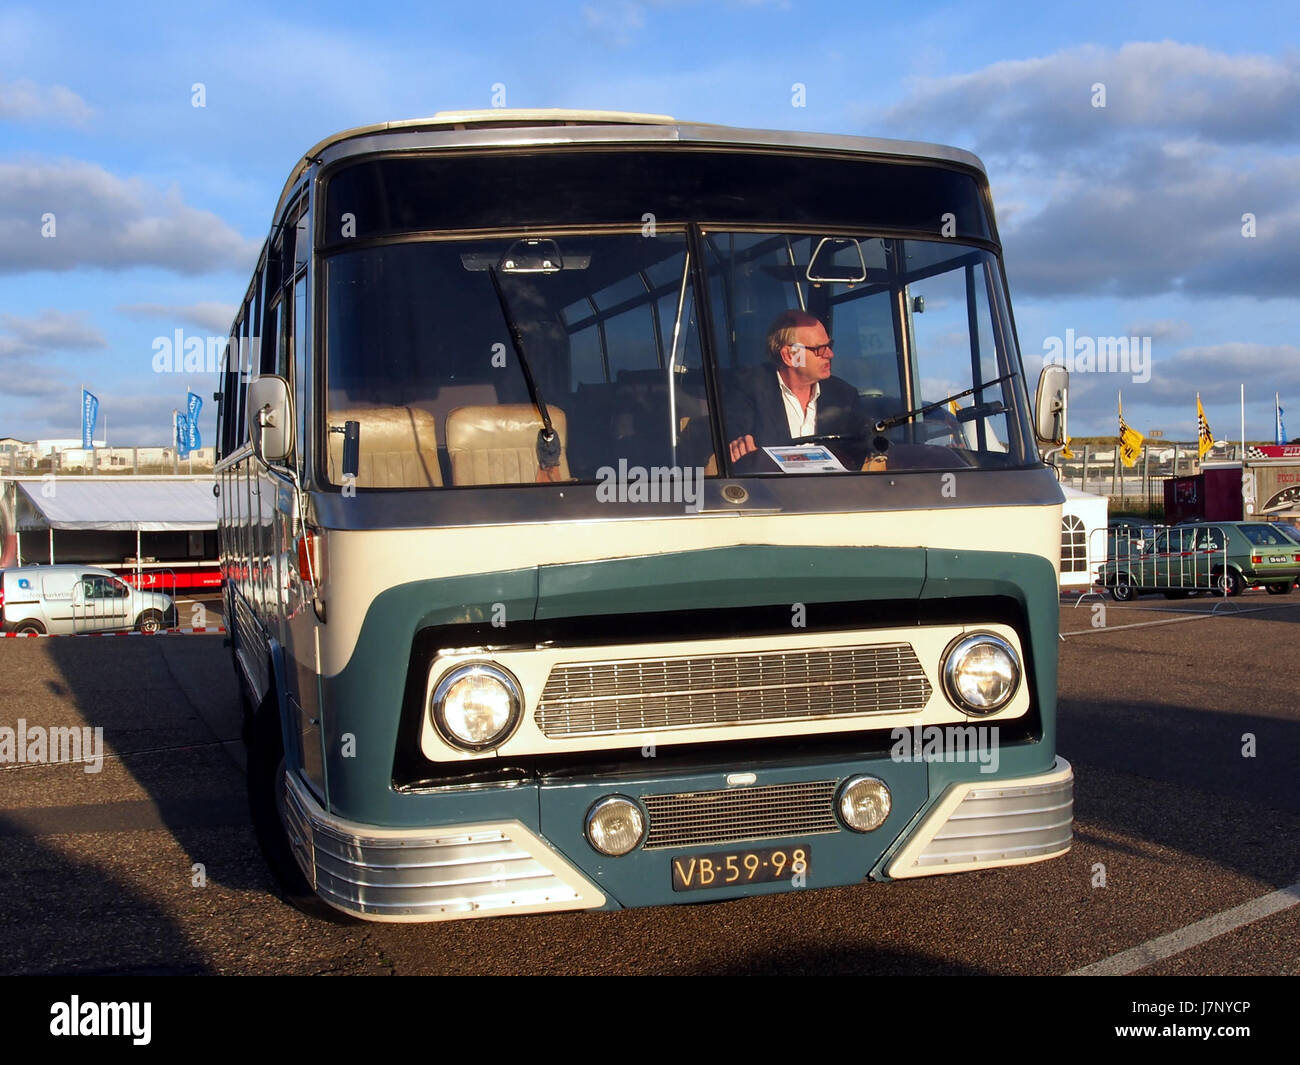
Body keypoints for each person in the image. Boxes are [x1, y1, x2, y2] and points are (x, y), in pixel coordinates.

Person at [725, 310, 871, 466]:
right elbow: (736, 445)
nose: (830, 354)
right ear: (790, 356)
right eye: (819, 349)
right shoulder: (747, 390)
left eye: (829, 345)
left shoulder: (844, 395)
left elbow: (861, 449)